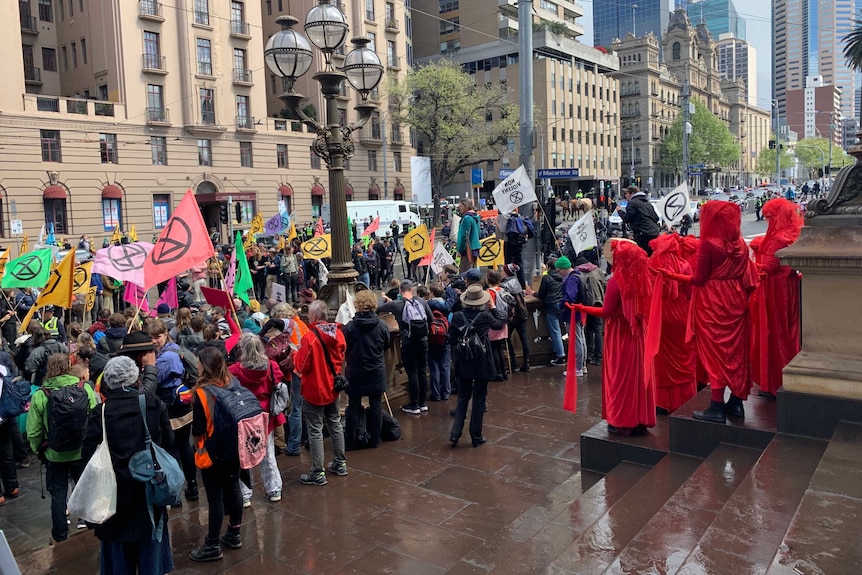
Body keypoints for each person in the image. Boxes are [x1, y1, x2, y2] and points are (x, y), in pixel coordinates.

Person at [660, 201, 758, 423]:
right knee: (735, 351)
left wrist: (672, 276)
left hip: (713, 300)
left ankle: (716, 406)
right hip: (736, 298)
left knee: (714, 352)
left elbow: (699, 279)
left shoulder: (708, 244)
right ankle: (736, 402)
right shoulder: (741, 244)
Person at [81, 356, 175, 574]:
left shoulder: (100, 413)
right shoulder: (153, 405)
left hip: (112, 499)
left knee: (118, 563)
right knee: (151, 560)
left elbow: (87, 458)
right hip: (148, 494)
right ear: (135, 378)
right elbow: (168, 442)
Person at [574, 240, 656, 436]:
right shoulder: (643, 278)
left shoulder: (616, 281)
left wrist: (581, 308)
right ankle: (639, 419)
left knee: (620, 378)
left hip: (620, 334)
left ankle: (623, 420)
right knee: (638, 377)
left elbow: (606, 311)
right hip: (638, 334)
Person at [27, 353, 98, 543]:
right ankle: (92, 525)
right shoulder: (84, 388)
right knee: (85, 488)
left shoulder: (41, 394)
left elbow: (33, 430)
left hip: (54, 453)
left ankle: (59, 535)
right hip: (81, 451)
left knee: (58, 494)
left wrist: (38, 450)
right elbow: (95, 417)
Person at [189, 347, 244, 562]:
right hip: (235, 448)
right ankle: (234, 534)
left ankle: (212, 544)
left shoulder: (202, 393)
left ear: (204, 366)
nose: (196, 365)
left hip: (212, 452)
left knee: (215, 499)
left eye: (199, 362)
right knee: (234, 487)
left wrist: (198, 449)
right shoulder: (234, 382)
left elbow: (197, 430)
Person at [750, 198, 803, 397]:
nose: (768, 221)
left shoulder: (776, 239)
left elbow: (769, 268)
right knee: (787, 332)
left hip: (774, 290)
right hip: (787, 288)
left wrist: (747, 265)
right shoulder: (790, 235)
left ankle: (773, 382)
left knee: (773, 332)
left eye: (770, 217)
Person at [294, 300, 347, 486]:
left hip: (315, 389)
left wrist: (295, 354)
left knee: (315, 430)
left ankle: (318, 471)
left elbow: (301, 365)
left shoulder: (310, 338)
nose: (308, 316)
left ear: (315, 316)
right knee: (335, 423)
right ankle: (340, 463)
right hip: (333, 387)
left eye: (309, 314)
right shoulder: (338, 333)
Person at [228, 334, 285, 505]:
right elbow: (279, 381)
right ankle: (274, 488)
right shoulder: (271, 366)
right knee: (268, 453)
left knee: (244, 455)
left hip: (244, 418)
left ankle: (245, 494)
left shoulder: (235, 370)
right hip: (265, 416)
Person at [448, 285, 505, 447]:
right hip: (481, 361)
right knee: (479, 399)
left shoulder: (458, 316)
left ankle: (455, 434)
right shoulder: (485, 316)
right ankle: (476, 435)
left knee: (462, 398)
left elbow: (451, 339)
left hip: (464, 360)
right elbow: (499, 324)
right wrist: (493, 308)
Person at [147, 320, 198, 504]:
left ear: (165, 334)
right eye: (151, 338)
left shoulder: (166, 357)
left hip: (171, 405)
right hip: (182, 402)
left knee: (173, 449)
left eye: (157, 337)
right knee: (184, 446)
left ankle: (177, 492)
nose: (154, 341)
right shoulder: (175, 348)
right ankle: (192, 487)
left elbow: (155, 380)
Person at [646, 234, 696, 414]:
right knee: (684, 356)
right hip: (681, 315)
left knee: (661, 360)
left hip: (660, 316)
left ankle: (662, 401)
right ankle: (685, 398)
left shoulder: (652, 265)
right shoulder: (684, 265)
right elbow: (691, 294)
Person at [342, 290, 390, 450]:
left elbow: (344, 348)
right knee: (376, 404)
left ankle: (351, 441)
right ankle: (375, 439)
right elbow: (386, 345)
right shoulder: (382, 326)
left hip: (355, 371)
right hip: (376, 370)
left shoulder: (349, 328)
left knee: (353, 405)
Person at [378, 280, 433, 415]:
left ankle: (413, 404)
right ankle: (423, 403)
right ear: (412, 290)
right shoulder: (422, 302)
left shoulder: (397, 304)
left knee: (412, 373)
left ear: (400, 291)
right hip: (423, 341)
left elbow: (378, 308)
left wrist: (383, 299)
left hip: (408, 342)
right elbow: (430, 318)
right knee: (421, 371)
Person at [558, 257, 587, 377]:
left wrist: (561, 304)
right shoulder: (579, 275)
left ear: (564, 268)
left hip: (573, 313)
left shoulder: (571, 279)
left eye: (559, 270)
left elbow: (569, 297)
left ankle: (578, 368)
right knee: (581, 338)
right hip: (581, 311)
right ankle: (583, 366)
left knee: (576, 340)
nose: (559, 273)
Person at [536, 256, 566, 366]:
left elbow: (541, 294)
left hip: (551, 306)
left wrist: (533, 294)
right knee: (564, 330)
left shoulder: (547, 278)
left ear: (548, 267)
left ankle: (560, 355)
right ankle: (563, 351)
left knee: (555, 332)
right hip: (562, 306)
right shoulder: (563, 277)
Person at [501, 264, 530, 372]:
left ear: (506, 273)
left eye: (502, 271)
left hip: (512, 316)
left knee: (507, 338)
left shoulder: (504, 285)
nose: (500, 273)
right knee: (524, 339)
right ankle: (526, 363)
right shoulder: (517, 281)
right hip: (522, 313)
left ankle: (513, 362)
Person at [617, 186, 660, 255]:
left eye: (626, 193)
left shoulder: (633, 202)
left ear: (632, 193)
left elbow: (627, 218)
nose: (625, 196)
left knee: (642, 256)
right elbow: (656, 218)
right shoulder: (647, 203)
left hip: (642, 234)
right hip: (654, 233)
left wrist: (619, 211)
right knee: (651, 256)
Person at [456, 199, 482, 272]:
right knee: (473, 271)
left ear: (466, 206)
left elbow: (464, 236)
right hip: (475, 248)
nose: (459, 208)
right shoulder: (475, 218)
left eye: (461, 206)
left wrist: (459, 250)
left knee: (465, 272)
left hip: (467, 249)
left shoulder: (466, 219)